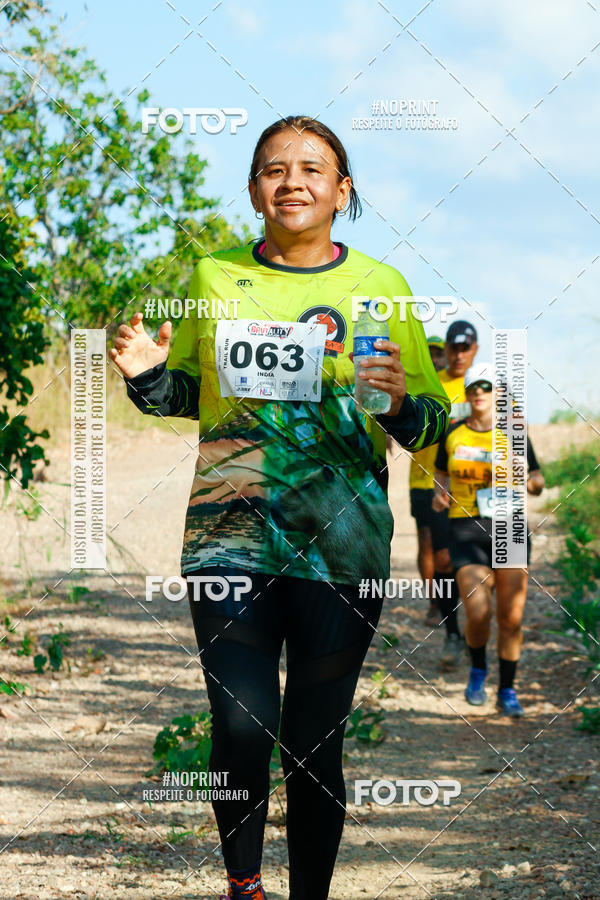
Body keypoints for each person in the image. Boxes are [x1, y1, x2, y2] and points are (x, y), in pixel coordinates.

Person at [110, 115, 450, 900]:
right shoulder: (215, 277)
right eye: (273, 169)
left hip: (344, 543)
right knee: (240, 725)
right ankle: (243, 886)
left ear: (343, 189)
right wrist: (147, 375)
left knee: (311, 745)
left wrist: (398, 405)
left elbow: (429, 420)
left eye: (311, 168)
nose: (291, 181)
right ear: (254, 188)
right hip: (230, 533)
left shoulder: (382, 289)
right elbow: (196, 396)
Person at [433, 362, 544, 717]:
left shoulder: (514, 434)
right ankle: (478, 668)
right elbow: (440, 472)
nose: (479, 392)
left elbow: (537, 479)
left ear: (497, 394)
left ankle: (507, 690)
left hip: (509, 530)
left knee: (511, 618)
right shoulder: (453, 434)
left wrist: (532, 483)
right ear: (467, 394)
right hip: (467, 532)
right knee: (479, 611)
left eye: (486, 386)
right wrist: (440, 493)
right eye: (473, 387)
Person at [408, 320, 478, 664]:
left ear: (475, 349)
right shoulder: (432, 384)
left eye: (466, 347)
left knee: (481, 561)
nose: (458, 354)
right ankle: (450, 628)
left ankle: (480, 624)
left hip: (477, 489)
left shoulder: (482, 387)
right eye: (454, 347)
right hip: (430, 483)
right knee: (439, 555)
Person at [406, 335, 446, 626]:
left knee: (451, 546)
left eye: (439, 355)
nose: (434, 359)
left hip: (454, 484)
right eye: (429, 354)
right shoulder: (415, 389)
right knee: (427, 543)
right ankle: (434, 603)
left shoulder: (458, 389)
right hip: (421, 482)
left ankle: (456, 601)